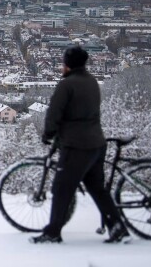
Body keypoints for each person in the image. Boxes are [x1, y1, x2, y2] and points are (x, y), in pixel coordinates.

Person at [30, 46, 130, 244]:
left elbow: (54, 113)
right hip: (97, 144)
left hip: (76, 145)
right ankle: (117, 227)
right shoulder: (92, 81)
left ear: (68, 64)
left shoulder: (67, 85)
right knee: (97, 189)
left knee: (61, 188)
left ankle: (53, 232)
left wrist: (48, 133)